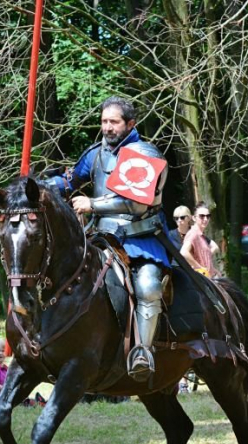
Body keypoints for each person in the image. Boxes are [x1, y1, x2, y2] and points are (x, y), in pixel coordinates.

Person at [43, 96, 170, 381]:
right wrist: (37, 187)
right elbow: (70, 180)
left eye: (114, 122)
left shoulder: (145, 153)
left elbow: (137, 203)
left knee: (148, 286)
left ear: (130, 124)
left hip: (141, 237)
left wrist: (93, 205)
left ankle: (142, 352)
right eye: (104, 122)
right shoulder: (96, 153)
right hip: (101, 236)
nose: (107, 128)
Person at [181, 202, 220, 278]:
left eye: (208, 216)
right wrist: (199, 267)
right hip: (199, 282)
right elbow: (183, 252)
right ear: (194, 218)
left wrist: (212, 269)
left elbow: (204, 258)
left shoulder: (201, 236)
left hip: (207, 280)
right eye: (202, 216)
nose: (205, 219)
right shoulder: (193, 233)